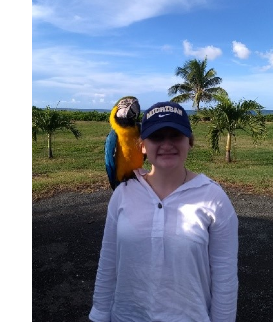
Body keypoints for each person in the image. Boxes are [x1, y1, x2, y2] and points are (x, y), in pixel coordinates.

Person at [89, 101, 239, 322]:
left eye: (175, 136)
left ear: (190, 142)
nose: (167, 144)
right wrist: (99, 314)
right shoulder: (122, 194)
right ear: (142, 145)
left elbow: (225, 276)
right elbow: (108, 262)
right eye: (157, 137)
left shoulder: (214, 198)